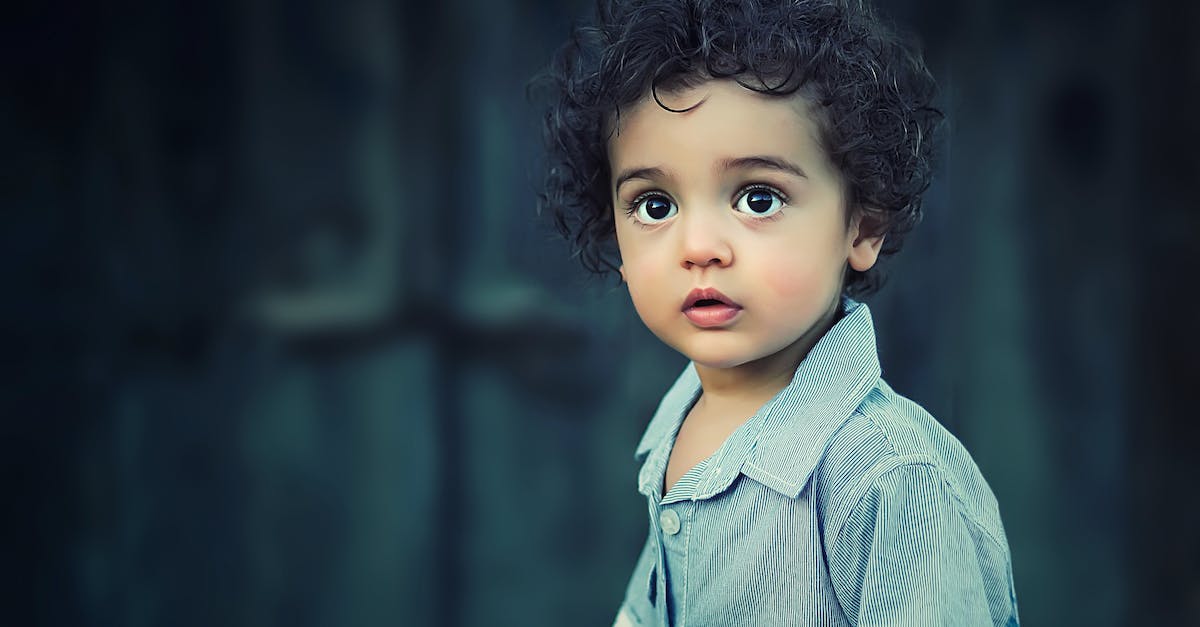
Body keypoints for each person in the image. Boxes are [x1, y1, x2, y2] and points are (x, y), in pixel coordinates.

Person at [533, 1, 1018, 625]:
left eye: (758, 198)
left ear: (861, 228)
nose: (699, 246)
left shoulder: (894, 475)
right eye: (654, 206)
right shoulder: (679, 427)